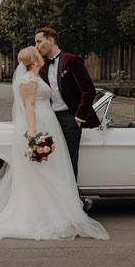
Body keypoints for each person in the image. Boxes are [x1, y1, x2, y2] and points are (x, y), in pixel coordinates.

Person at [0, 46, 108, 241]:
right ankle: (39, 215)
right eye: (38, 52)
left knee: (52, 169)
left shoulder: (37, 77)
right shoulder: (28, 79)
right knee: (39, 171)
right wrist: (32, 130)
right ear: (34, 59)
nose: (41, 54)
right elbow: (28, 104)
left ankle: (53, 212)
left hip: (49, 121)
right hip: (38, 122)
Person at [33, 27, 100, 180]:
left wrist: (78, 118)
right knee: (50, 158)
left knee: (69, 159)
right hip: (49, 118)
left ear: (51, 40)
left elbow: (88, 90)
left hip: (70, 118)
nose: (36, 46)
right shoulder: (42, 65)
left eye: (39, 41)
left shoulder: (71, 60)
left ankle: (71, 197)